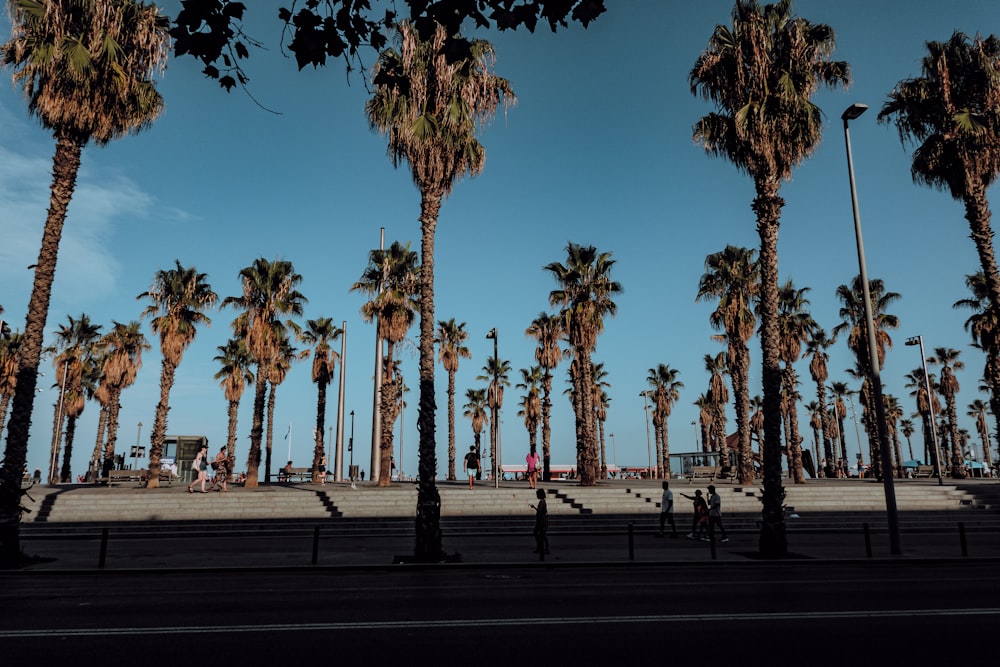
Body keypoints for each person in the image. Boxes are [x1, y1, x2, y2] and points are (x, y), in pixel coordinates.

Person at [531, 488, 549, 559]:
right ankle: (541, 548)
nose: (536, 496)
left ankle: (542, 549)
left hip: (541, 521)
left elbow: (540, 510)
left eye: (537, 494)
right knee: (542, 535)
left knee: (541, 535)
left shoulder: (542, 502)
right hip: (541, 521)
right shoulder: (543, 501)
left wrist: (534, 507)